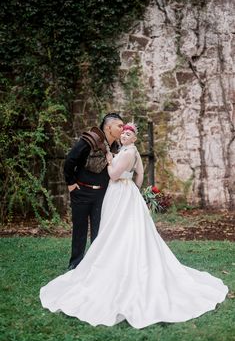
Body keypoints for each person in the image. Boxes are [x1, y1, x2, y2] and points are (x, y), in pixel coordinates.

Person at [40, 123, 228, 329]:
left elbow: (112, 175)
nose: (124, 136)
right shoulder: (129, 151)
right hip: (125, 192)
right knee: (118, 229)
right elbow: (139, 174)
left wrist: (111, 161)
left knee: (118, 230)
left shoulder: (128, 153)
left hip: (120, 192)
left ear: (134, 138)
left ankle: (117, 265)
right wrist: (135, 190)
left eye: (128, 134)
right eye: (123, 133)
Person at [64, 112, 124, 270]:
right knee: (80, 230)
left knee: (100, 230)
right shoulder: (89, 140)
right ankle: (75, 265)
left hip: (102, 195)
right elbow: (70, 160)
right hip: (82, 191)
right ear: (108, 127)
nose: (122, 129)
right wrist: (71, 184)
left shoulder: (118, 146)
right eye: (119, 125)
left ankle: (97, 266)